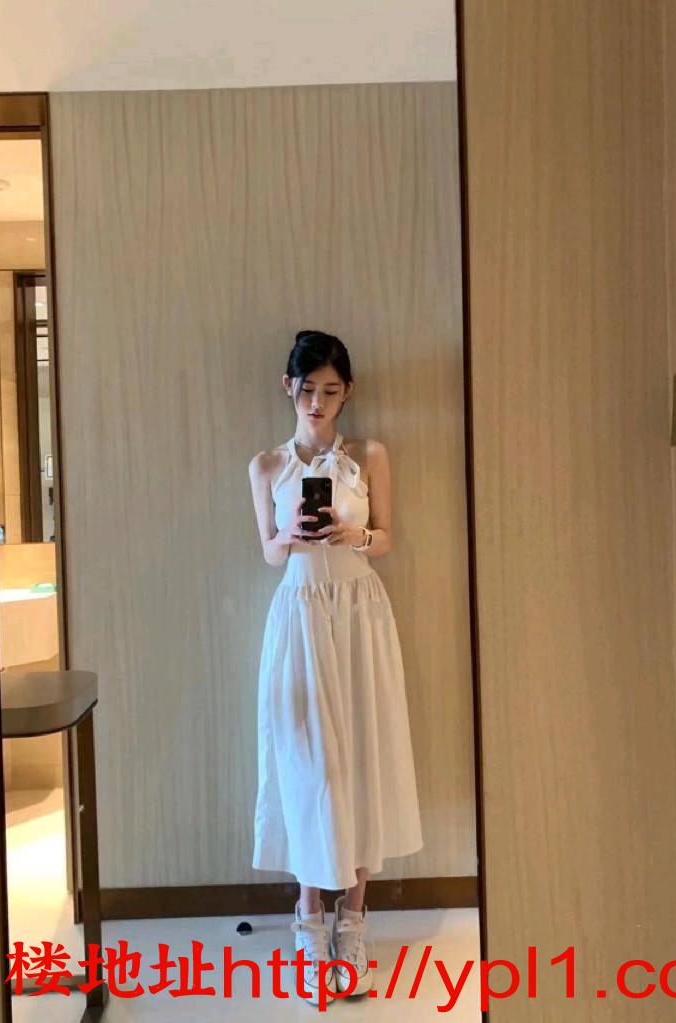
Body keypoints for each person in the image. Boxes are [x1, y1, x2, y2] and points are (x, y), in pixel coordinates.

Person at [248, 329, 423, 1005]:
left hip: (359, 615)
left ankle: (353, 918)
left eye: (330, 390)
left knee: (362, 756)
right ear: (287, 388)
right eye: (307, 389)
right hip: (298, 617)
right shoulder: (266, 465)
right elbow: (269, 553)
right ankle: (308, 913)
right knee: (307, 763)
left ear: (347, 391)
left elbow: (388, 537)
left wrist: (355, 534)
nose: (317, 402)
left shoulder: (368, 456)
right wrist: (290, 535)